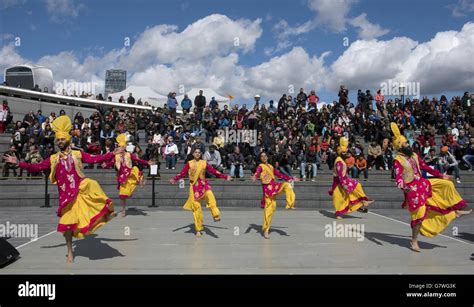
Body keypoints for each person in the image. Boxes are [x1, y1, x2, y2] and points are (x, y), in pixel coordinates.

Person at [5, 115, 120, 263]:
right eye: (57, 140)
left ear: (68, 139)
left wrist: (112, 154)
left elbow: (94, 159)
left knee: (90, 184)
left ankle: (106, 214)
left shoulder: (78, 154)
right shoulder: (53, 159)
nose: (59, 141)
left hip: (79, 192)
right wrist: (18, 163)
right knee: (67, 227)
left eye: (62, 139)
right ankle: (70, 252)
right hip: (66, 197)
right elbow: (36, 166)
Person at [390, 123, 471, 252]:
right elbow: (398, 177)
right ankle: (414, 241)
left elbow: (425, 167)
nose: (408, 146)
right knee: (419, 216)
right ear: (400, 147)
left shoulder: (414, 156)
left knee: (447, 184)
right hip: (413, 190)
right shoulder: (398, 160)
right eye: (405, 144)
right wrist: (403, 187)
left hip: (423, 183)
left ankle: (457, 208)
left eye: (408, 143)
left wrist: (440, 175)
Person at [169, 148, 231, 237]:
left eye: (199, 152)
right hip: (194, 187)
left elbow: (214, 171)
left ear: (201, 154)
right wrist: (175, 179)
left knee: (210, 195)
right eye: (196, 152)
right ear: (193, 154)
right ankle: (198, 229)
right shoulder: (189, 163)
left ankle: (215, 214)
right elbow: (182, 173)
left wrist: (225, 177)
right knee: (197, 208)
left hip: (203, 184)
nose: (197, 154)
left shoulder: (204, 163)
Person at [103, 134, 152, 217]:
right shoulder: (116, 156)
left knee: (135, 169)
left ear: (125, 147)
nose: (121, 149)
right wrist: (105, 166)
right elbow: (111, 163)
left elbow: (138, 160)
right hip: (122, 177)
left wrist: (147, 162)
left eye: (123, 147)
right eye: (120, 147)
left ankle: (140, 181)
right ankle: (123, 210)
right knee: (122, 196)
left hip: (130, 173)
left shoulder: (129, 154)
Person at [252, 152, 298, 239]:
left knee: (287, 185)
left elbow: (279, 174)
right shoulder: (260, 166)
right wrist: (255, 176)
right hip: (268, 192)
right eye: (262, 156)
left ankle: (290, 204)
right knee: (269, 211)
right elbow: (257, 173)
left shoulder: (271, 166)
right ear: (260, 159)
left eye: (265, 156)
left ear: (267, 157)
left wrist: (291, 178)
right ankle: (266, 230)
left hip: (275, 187)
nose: (264, 157)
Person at [328, 137, 374, 219]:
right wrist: (344, 185)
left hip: (344, 180)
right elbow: (340, 175)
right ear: (341, 153)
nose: (347, 154)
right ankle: (359, 203)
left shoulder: (341, 159)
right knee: (341, 198)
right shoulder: (339, 161)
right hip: (339, 182)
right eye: (345, 152)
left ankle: (362, 202)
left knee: (356, 186)